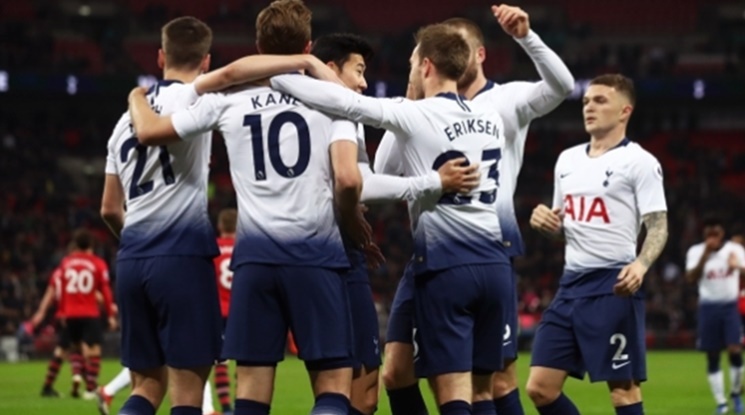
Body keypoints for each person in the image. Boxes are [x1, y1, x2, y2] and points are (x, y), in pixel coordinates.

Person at [127, 1, 371, 414]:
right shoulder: (335, 100)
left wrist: (136, 95)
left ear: (258, 45)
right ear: (308, 46)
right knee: (333, 387)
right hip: (316, 256)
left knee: (251, 394)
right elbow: (350, 179)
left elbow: (152, 131)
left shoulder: (227, 100)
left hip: (255, 262)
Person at [270, 23, 513, 415]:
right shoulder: (491, 117)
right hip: (494, 263)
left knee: (455, 392)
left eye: (413, 62)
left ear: (426, 66)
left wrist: (298, 68)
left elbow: (343, 106)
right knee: (449, 383)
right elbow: (384, 166)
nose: (409, 69)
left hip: (448, 266)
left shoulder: (412, 113)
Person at [379, 5, 575, 414]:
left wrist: (526, 37)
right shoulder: (423, 110)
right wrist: (410, 99)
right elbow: (383, 173)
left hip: (488, 248)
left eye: (460, 47)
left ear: (480, 54)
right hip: (430, 254)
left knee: (493, 379)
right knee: (396, 371)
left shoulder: (505, 100)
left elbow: (561, 86)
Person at [100, 16, 223, 415]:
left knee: (146, 387)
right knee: (187, 393)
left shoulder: (123, 123)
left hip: (133, 259)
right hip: (182, 256)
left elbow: (108, 208)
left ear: (160, 56)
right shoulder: (198, 100)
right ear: (206, 61)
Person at [527, 74, 668, 415]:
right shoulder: (567, 160)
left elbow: (658, 225)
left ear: (625, 111)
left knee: (623, 392)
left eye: (600, 101)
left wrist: (640, 265)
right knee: (540, 389)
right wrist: (546, 224)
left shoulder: (639, 161)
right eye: (586, 101)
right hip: (570, 286)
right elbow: (564, 228)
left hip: (613, 285)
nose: (589, 107)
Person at [685, 215, 745, 414]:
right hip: (708, 307)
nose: (712, 236)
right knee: (712, 354)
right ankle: (721, 402)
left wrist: (738, 267)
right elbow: (690, 278)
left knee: (735, 349)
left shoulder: (735, 250)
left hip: (729, 306)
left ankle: (735, 393)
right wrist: (706, 254)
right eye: (708, 232)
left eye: (715, 232)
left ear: (722, 233)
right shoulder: (695, 251)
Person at [54, 229, 117, 399]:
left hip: (70, 313)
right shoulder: (98, 263)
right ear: (91, 244)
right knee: (94, 350)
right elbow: (105, 291)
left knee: (75, 347)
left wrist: (62, 312)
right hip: (89, 312)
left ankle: (76, 375)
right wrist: (110, 314)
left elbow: (61, 290)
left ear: (75, 244)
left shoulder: (66, 262)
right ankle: (90, 388)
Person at [31, 264, 85, 398]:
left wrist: (41, 312)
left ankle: (48, 386)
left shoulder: (57, 273)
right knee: (75, 347)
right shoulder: (75, 270)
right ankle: (79, 377)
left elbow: (50, 294)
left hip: (61, 314)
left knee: (64, 348)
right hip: (74, 312)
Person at [213, 208, 237, 415]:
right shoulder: (244, 247)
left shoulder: (213, 249)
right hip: (241, 310)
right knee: (246, 362)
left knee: (220, 362)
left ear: (220, 226)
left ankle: (227, 408)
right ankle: (244, 404)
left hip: (218, 311)